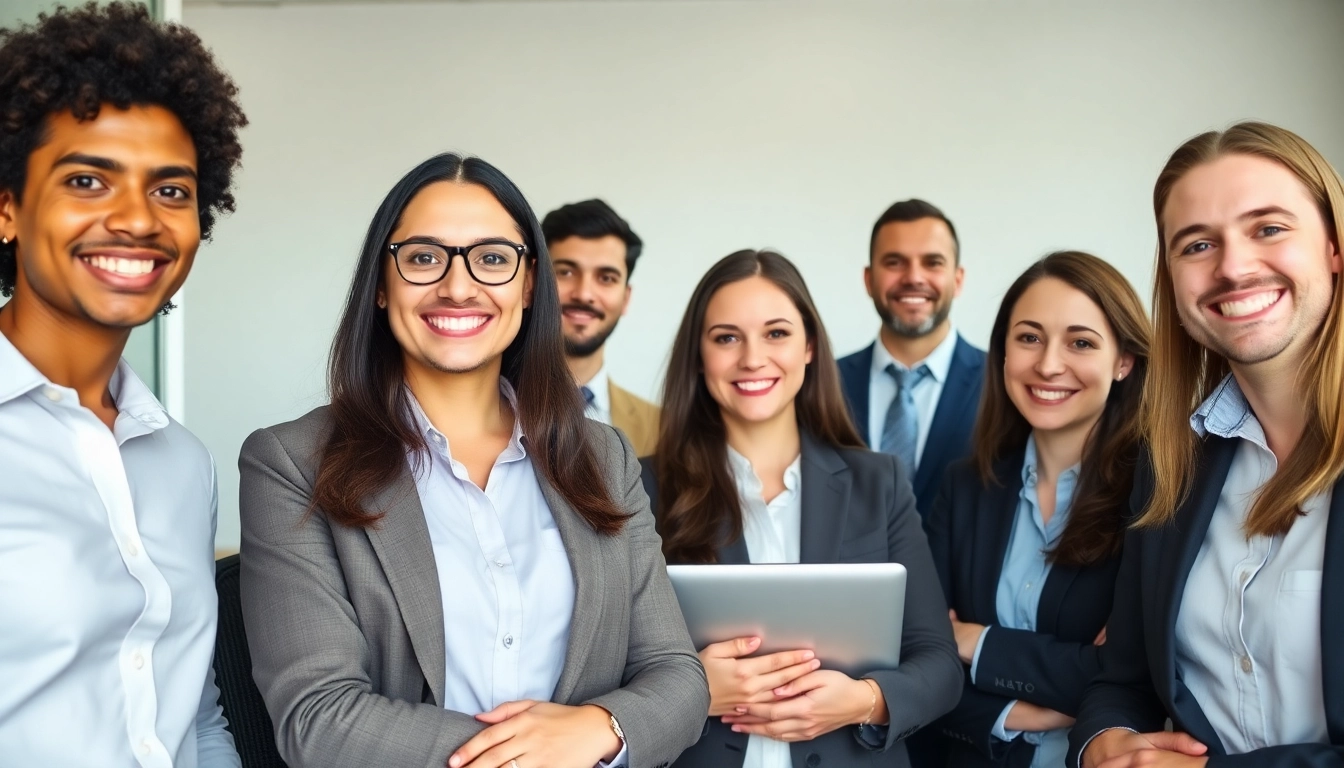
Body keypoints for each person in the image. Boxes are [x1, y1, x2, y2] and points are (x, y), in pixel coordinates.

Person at [238, 153, 708, 768]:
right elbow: (319, 719)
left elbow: (676, 676)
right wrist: (534, 755)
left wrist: (599, 728)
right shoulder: (292, 463)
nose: (458, 287)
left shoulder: (603, 455)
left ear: (529, 282)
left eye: (491, 259)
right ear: (381, 283)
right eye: (424, 257)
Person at [0, 4, 246, 766]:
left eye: (171, 191)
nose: (138, 220)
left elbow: (192, 716)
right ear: (7, 208)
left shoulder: (181, 462)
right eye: (87, 180)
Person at [1071, 122, 1344, 768]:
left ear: (1334, 247)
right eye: (1197, 244)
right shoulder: (1173, 464)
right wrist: (1099, 745)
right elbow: (1125, 679)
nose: (1233, 267)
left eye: (1269, 228)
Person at [642, 249, 961, 768]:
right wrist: (693, 690)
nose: (751, 358)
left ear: (809, 346)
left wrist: (864, 701)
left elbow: (940, 667)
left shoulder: (877, 483)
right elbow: (606, 669)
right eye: (726, 337)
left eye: (776, 333)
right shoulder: (642, 488)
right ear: (699, 357)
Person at [926, 251, 1150, 767]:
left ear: (1124, 361)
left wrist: (970, 640)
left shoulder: (1157, 497)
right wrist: (1020, 711)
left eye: (1081, 342)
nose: (1048, 364)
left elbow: (1133, 673)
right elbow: (918, 660)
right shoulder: (965, 487)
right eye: (1028, 337)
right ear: (1002, 350)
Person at [838, 199, 986, 521]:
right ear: (868, 279)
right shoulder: (823, 382)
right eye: (894, 262)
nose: (914, 277)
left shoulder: (1002, 384)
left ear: (957, 279)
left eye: (933, 262)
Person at [543, 199, 659, 455]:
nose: (584, 294)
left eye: (606, 278)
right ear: (533, 283)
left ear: (626, 298)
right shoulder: (485, 407)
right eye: (565, 272)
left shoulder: (661, 429)